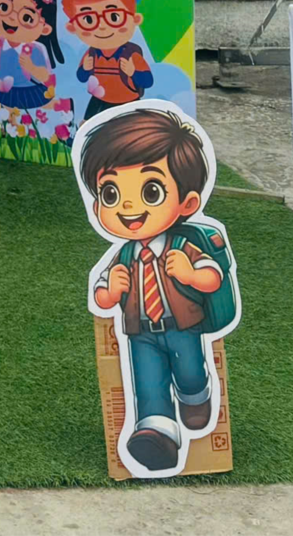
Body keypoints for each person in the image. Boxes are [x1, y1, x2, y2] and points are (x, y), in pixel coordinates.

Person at [82, 104, 237, 474]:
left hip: (183, 327)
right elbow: (102, 297)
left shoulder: (184, 245)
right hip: (141, 333)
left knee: (190, 371)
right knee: (148, 383)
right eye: (110, 192)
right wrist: (110, 293)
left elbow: (212, 276)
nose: (127, 205)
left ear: (188, 202)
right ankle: (156, 433)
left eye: (150, 191)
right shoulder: (124, 254)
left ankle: (195, 396)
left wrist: (191, 274)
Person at [64, 0, 155, 119]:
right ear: (72, 27)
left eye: (113, 17)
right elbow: (81, 77)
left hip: (128, 101)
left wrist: (133, 72)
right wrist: (85, 68)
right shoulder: (92, 53)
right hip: (99, 100)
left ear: (135, 19)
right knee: (87, 126)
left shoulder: (131, 54)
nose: (102, 26)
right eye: (88, 19)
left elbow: (147, 81)